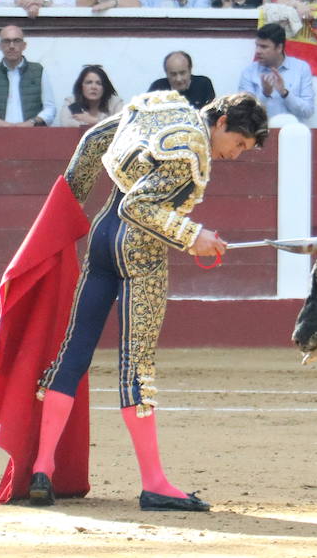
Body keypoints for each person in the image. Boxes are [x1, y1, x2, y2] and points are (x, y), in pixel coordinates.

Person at [26, 89, 268, 512]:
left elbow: (94, 141)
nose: (236, 154)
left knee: (73, 352)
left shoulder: (162, 105)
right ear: (224, 121)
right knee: (136, 364)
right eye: (240, 144)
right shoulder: (194, 152)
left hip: (102, 236)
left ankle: (42, 469)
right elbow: (140, 207)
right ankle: (154, 482)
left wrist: (71, 205)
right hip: (140, 253)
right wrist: (195, 237)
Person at [0, 24, 56, 127]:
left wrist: (31, 123)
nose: (11, 46)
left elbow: (50, 108)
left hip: (32, 134)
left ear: (24, 45)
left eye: (16, 41)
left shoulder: (38, 71)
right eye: (6, 41)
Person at [239, 23, 314, 121]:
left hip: (292, 133)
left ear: (279, 48)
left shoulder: (301, 68)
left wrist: (284, 93)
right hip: (261, 134)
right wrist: (265, 94)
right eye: (257, 46)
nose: (258, 51)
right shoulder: (249, 72)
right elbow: (245, 115)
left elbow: (308, 111)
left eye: (264, 47)